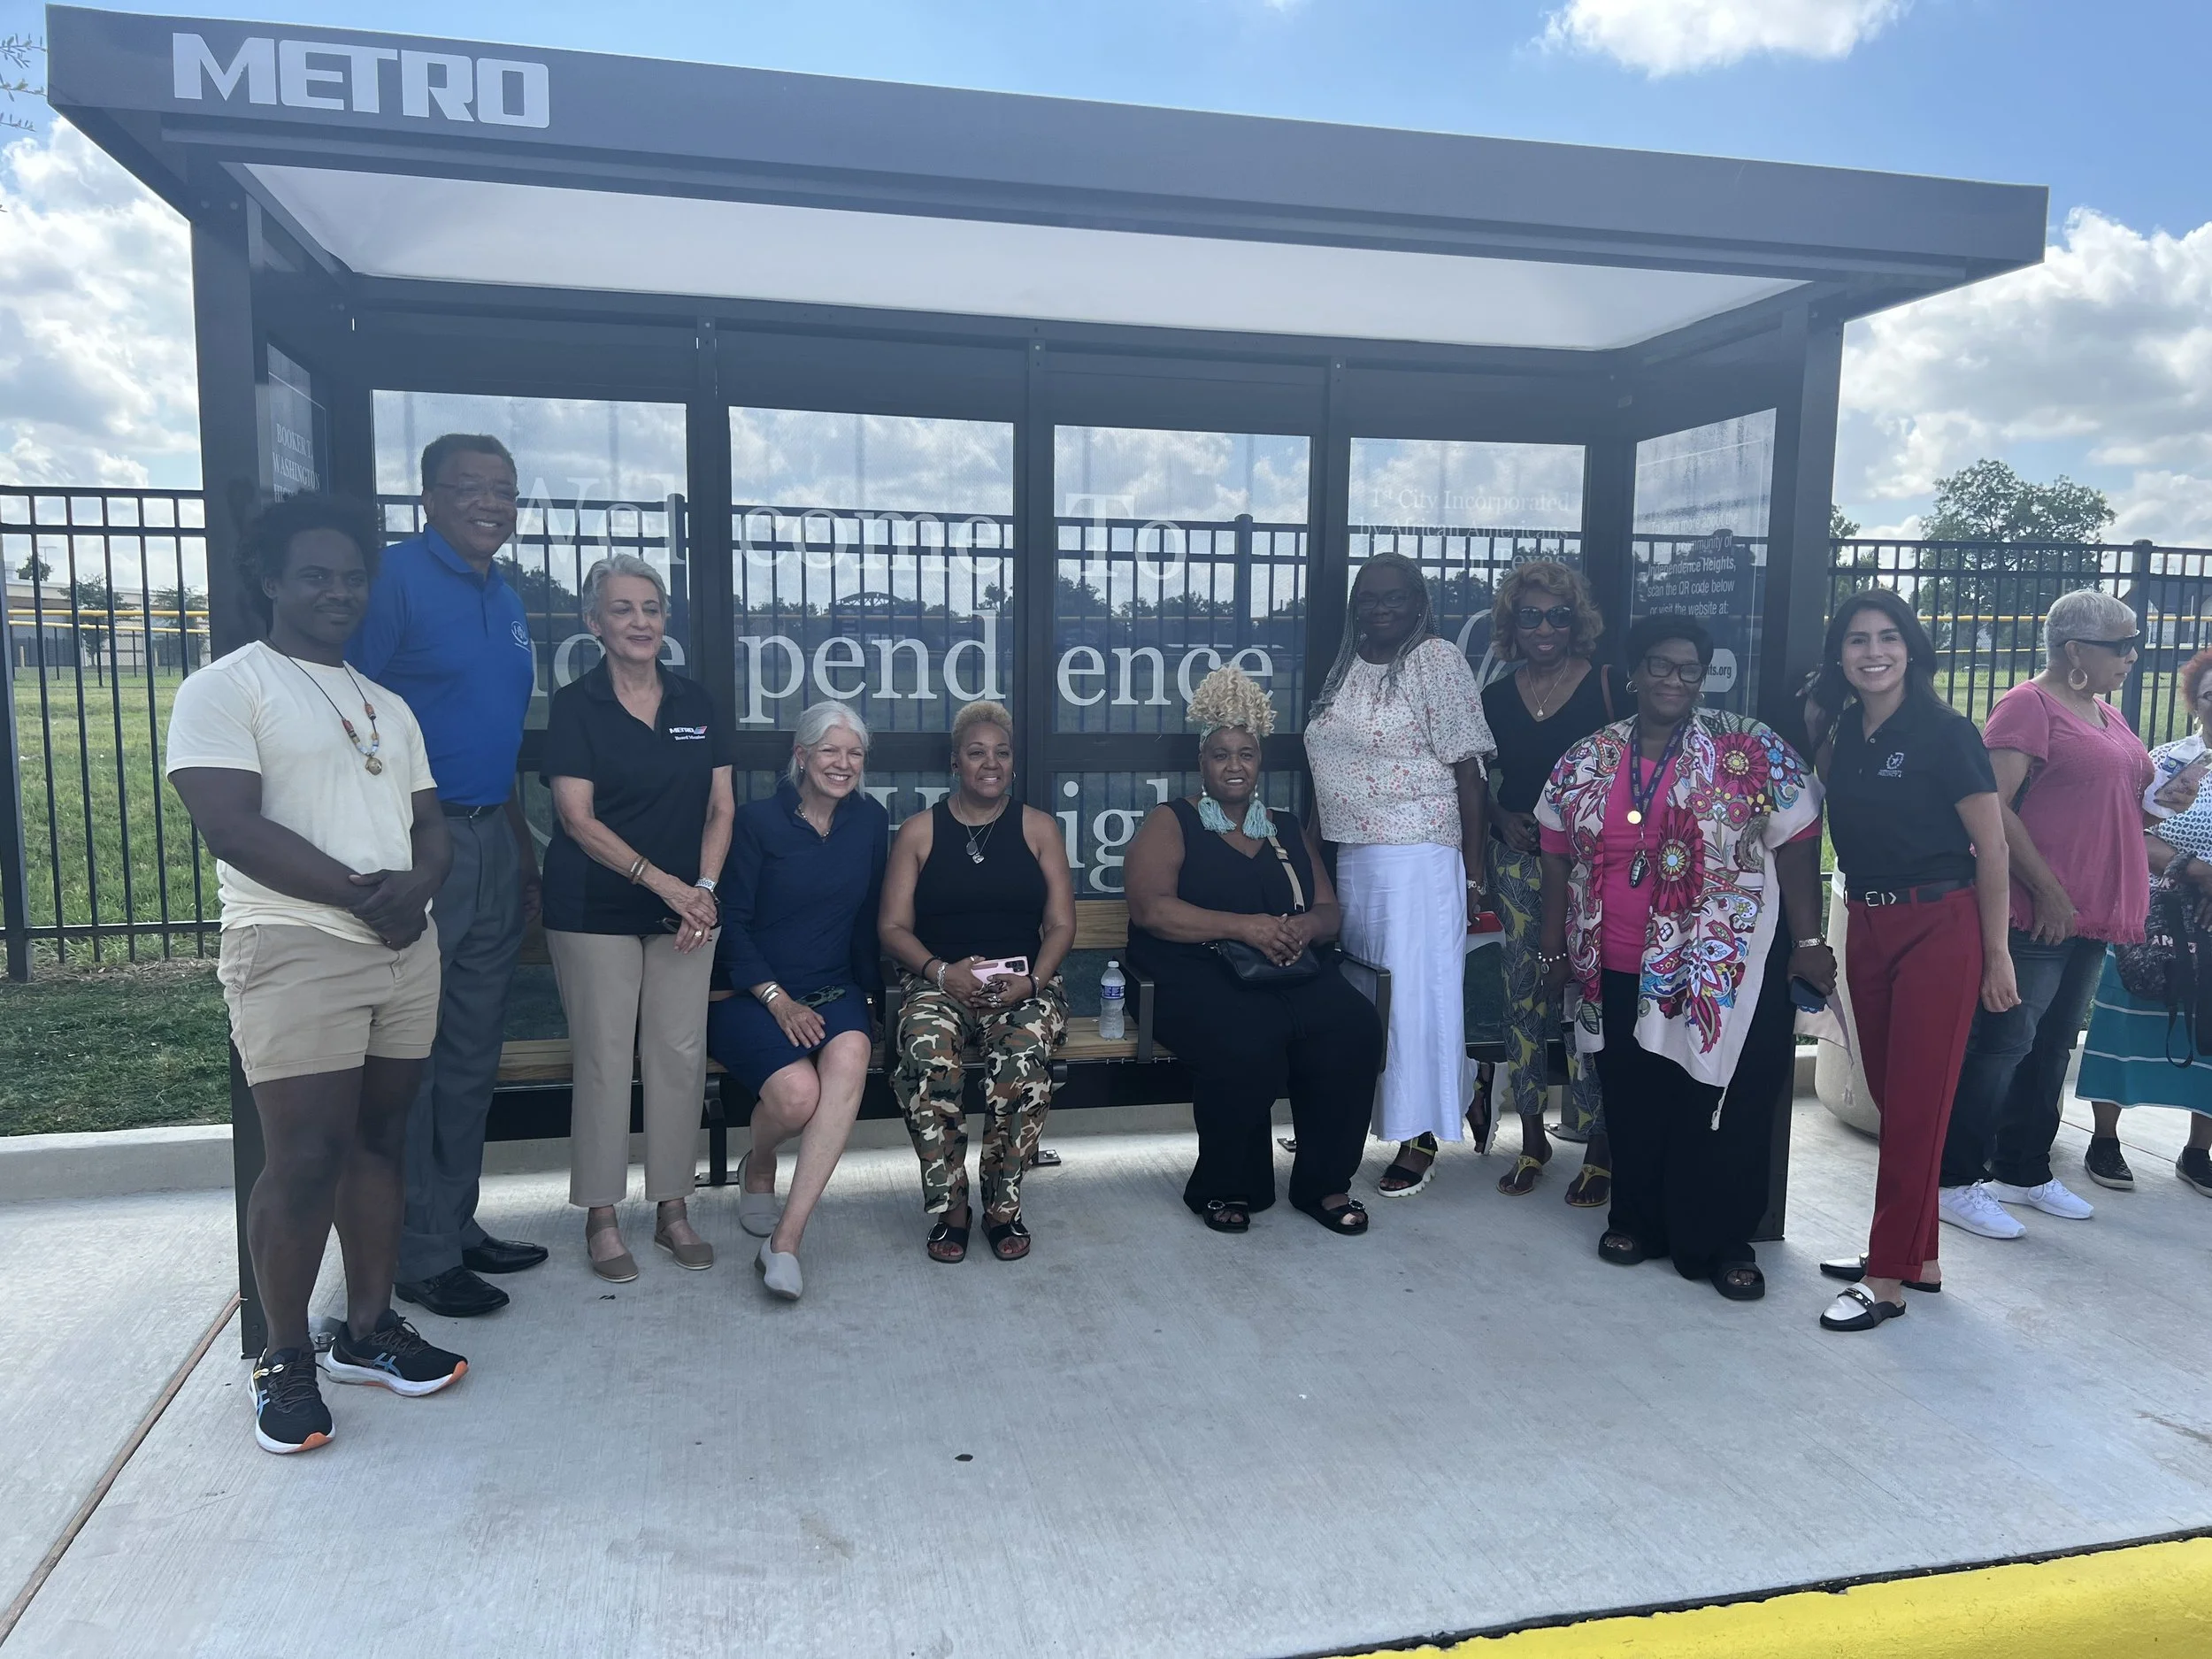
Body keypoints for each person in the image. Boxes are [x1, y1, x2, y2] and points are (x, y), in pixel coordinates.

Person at [167, 495, 466, 1455]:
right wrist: (362, 895)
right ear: (270, 580)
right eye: (316, 576)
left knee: (379, 1138)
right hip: (293, 945)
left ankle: (367, 1329)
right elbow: (231, 825)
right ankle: (285, 1356)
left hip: (398, 948)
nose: (338, 592)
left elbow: (431, 824)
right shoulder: (227, 689)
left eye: (350, 578)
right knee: (301, 1158)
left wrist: (413, 890)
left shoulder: (386, 702)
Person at [1536, 613, 1831, 1301]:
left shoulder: (1748, 749)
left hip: (1719, 968)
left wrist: (1811, 944)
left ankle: (1724, 1239)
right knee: (1636, 1098)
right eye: (1660, 666)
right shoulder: (1588, 758)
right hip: (1614, 962)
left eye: (1689, 668)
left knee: (1721, 1098)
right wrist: (1553, 952)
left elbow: (1800, 840)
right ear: (1634, 673)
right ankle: (1637, 1219)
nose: (1674, 679)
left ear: (1703, 676)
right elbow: (1555, 858)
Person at [349, 434, 544, 1319]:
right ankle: (419, 1252)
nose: (489, 504)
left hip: (490, 837)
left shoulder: (504, 594)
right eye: (469, 488)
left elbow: (491, 730)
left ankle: (455, 1225)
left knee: (472, 1051)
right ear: (427, 496)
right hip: (417, 843)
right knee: (419, 1055)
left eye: (503, 490)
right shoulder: (392, 581)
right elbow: (347, 709)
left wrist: (518, 838)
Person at [1803, 591, 2018, 1333]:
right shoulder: (1845, 732)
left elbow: (1992, 848)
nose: (1872, 652)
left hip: (1940, 926)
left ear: (1912, 648)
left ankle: (1886, 1275)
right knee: (1902, 1100)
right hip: (1868, 921)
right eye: (1857, 639)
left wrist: (1997, 955)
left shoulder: (1946, 732)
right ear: (1840, 655)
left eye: (1887, 637)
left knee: (1919, 1100)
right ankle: (1918, 1256)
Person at [1124, 666, 1385, 1234]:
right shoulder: (1174, 822)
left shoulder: (1285, 828)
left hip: (1286, 969)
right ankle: (1227, 1184)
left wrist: (1300, 930)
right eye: (1221, 755)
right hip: (1194, 972)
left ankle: (1325, 1183)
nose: (1235, 766)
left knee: (1354, 1027)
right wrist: (1247, 927)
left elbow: (1327, 911)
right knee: (1245, 1041)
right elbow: (1151, 910)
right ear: (1202, 762)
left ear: (1260, 760)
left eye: (1246, 753)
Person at [541, 556, 734, 1281]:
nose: (640, 622)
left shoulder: (696, 703)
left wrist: (704, 888)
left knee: (678, 1057)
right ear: (595, 623)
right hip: (596, 909)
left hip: (688, 911)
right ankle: (600, 1215)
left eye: (651, 608)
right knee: (603, 1057)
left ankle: (673, 1208)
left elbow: (722, 807)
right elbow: (576, 818)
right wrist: (670, 887)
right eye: (622, 609)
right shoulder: (575, 705)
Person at [1939, 589, 2151, 1239]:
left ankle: (2023, 1169)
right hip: (2039, 912)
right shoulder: (2027, 706)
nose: (2134, 655)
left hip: (2093, 912)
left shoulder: (2105, 713)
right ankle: (1954, 1178)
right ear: (2075, 649)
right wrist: (2049, 888)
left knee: (2054, 1044)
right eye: (2122, 645)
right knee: (2004, 1043)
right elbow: (1992, 805)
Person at [1305, 552, 1493, 1201]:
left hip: (1418, 855)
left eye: (1394, 597)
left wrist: (1473, 874)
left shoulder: (1434, 659)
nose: (1380, 609)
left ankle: (1420, 1135)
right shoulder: (1348, 666)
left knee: (1414, 999)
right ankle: (1401, 1106)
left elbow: (1469, 772)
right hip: (1356, 857)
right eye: (1369, 598)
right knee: (1368, 998)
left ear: (1418, 603)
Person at [879, 701, 1076, 1263]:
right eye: (976, 753)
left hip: (1023, 983)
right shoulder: (920, 832)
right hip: (941, 979)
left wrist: (1034, 981)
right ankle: (952, 1206)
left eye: (1002, 753)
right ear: (955, 763)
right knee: (925, 1051)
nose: (991, 763)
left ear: (1013, 762)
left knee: (1020, 1057)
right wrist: (942, 972)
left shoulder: (1039, 829)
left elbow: (1062, 924)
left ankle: (1002, 1205)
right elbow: (892, 927)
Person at [709, 701, 888, 1301]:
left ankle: (785, 1240)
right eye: (831, 750)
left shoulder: (868, 821)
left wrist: (875, 1001)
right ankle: (759, 1161)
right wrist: (776, 997)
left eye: (855, 753)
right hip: (747, 991)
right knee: (795, 1096)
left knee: (853, 1050)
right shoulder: (758, 822)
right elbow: (730, 921)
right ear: (802, 755)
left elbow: (866, 918)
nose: (843, 763)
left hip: (832, 985)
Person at [1478, 558, 1618, 1205]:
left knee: (1592, 994)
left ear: (1576, 622)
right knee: (1524, 995)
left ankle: (1598, 1146)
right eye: (1530, 615)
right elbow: (1476, 779)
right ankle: (1530, 1136)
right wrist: (1501, 817)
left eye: (1558, 616)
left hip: (1596, 867)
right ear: (1512, 622)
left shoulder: (1608, 686)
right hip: (1521, 863)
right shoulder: (1498, 698)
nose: (1545, 628)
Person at [2073, 646, 2212, 1195]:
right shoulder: (2169, 761)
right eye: (2211, 694)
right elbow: (2133, 828)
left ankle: (2199, 1150)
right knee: (2123, 1020)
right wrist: (2196, 870)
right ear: (2194, 702)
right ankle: (2105, 1139)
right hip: (2150, 912)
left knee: (2209, 1033)